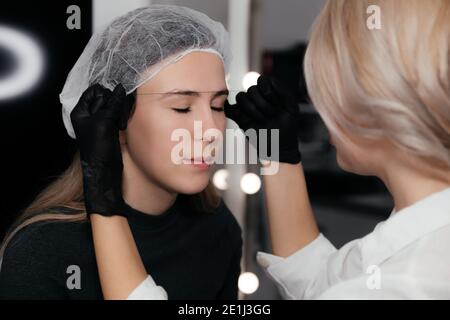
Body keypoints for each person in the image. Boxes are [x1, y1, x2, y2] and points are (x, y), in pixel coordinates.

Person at [0, 5, 242, 300]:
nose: (212, 129)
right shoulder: (43, 252)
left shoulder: (218, 229)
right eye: (182, 107)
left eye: (218, 106)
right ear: (116, 117)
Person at [225, 0, 450, 299]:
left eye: (328, 88)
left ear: (370, 100)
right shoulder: (424, 239)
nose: (321, 107)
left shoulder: (402, 286)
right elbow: (317, 281)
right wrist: (276, 151)